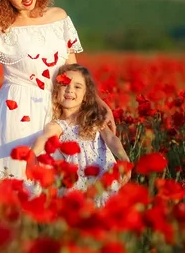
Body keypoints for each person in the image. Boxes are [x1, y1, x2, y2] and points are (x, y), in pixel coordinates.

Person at [0, 0, 116, 184]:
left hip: (60, 106)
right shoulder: (0, 29)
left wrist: (97, 102)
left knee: (64, 180)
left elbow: (72, 70)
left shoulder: (59, 17)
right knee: (19, 179)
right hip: (18, 112)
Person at [28, 63, 131, 205]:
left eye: (77, 87)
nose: (70, 90)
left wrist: (124, 159)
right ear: (56, 91)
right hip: (79, 182)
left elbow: (111, 138)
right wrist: (32, 154)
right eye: (65, 85)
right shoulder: (58, 125)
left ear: (85, 95)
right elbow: (44, 138)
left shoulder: (94, 118)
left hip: (104, 175)